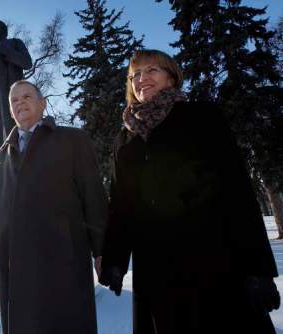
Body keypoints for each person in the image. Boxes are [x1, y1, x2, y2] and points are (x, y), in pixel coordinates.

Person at [100, 49, 280, 333]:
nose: (142, 79)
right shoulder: (125, 138)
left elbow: (237, 191)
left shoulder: (202, 118)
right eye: (135, 75)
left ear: (171, 78)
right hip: (156, 272)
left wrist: (258, 269)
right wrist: (115, 259)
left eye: (152, 71)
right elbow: (122, 205)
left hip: (215, 264)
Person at [0, 80, 108, 334]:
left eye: (26, 97)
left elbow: (93, 197)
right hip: (13, 266)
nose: (20, 103)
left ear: (42, 103)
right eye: (14, 101)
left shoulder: (73, 141)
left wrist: (102, 250)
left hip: (61, 261)